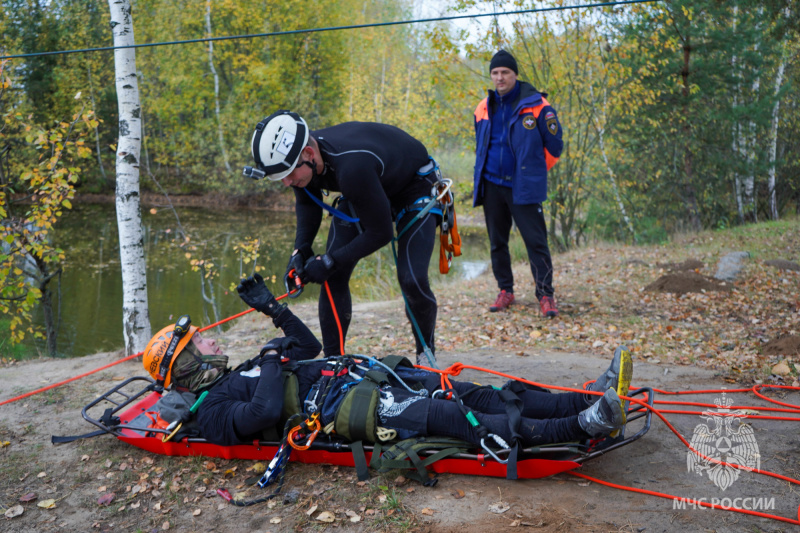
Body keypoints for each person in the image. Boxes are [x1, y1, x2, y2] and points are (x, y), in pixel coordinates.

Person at [142, 274, 633, 451]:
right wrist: (271, 358)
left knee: (477, 393)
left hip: (364, 378)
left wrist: (273, 309)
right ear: (185, 366)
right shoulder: (209, 409)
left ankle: (588, 396)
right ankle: (584, 425)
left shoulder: (241, 368)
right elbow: (263, 415)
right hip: (347, 413)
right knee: (454, 418)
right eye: (198, 343)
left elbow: (307, 345)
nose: (209, 342)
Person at [245, 111, 443, 365]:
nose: (286, 182)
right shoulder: (302, 160)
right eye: (280, 176)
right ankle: (334, 364)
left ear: (308, 153)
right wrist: (300, 250)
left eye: (289, 173)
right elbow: (307, 203)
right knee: (333, 276)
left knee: (411, 279)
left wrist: (330, 260)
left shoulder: (351, 167)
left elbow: (380, 232)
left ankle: (426, 358)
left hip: (414, 186)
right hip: (370, 187)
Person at [473, 50, 564, 317]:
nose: (500, 78)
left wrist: (531, 170)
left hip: (523, 187)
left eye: (505, 72)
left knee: (536, 243)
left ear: (515, 75)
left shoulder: (537, 105)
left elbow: (555, 147)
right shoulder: (482, 107)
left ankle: (546, 295)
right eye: (495, 73)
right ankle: (506, 290)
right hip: (491, 185)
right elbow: (481, 146)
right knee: (496, 242)